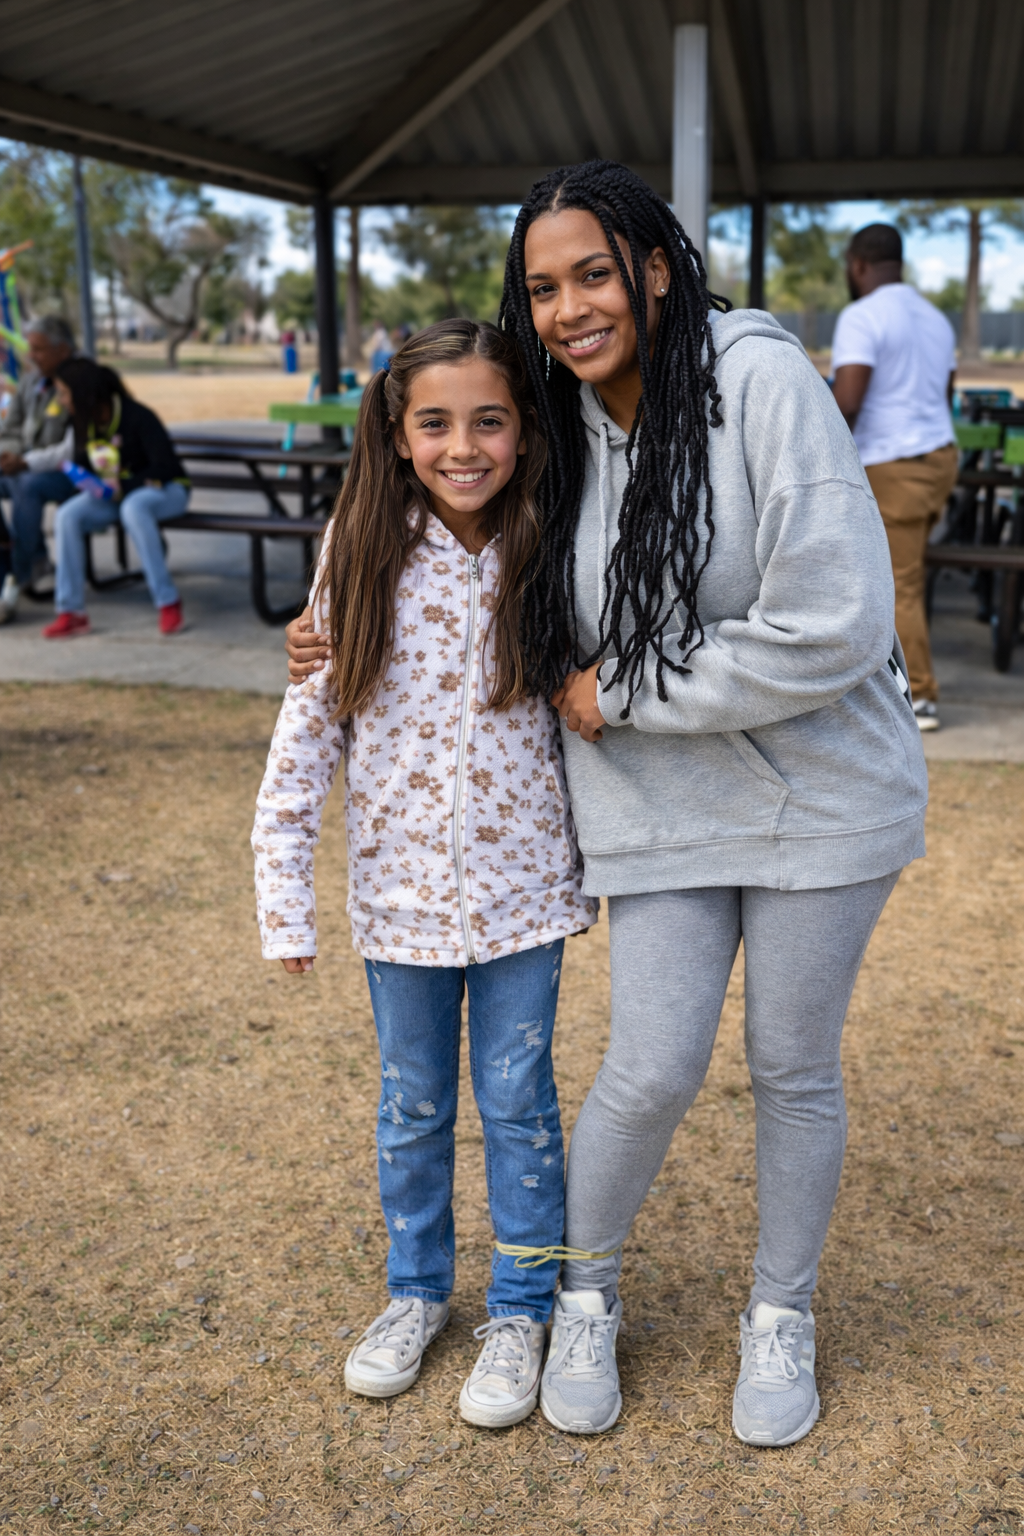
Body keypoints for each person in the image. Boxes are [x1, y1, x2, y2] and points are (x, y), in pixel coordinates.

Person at [286, 161, 928, 1448]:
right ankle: (581, 1293)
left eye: (593, 272)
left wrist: (626, 687)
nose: (570, 306)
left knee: (791, 1067)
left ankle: (779, 1314)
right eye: (541, 286)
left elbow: (840, 622)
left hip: (823, 800)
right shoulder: (551, 423)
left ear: (651, 264)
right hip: (655, 807)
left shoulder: (758, 379)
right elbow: (441, 536)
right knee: (646, 1068)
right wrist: (330, 628)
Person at [253, 319, 597, 1428]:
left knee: (518, 1106)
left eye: (488, 420)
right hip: (396, 907)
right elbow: (306, 737)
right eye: (435, 422)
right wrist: (282, 894)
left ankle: (520, 1308)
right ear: (397, 437)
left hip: (524, 898)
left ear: (523, 431)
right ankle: (415, 1296)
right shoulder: (359, 549)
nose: (464, 445)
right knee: (410, 1110)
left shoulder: (554, 542)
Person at [832, 223, 958, 732]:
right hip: (940, 458)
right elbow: (945, 394)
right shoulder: (936, 318)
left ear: (859, 265)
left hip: (893, 463)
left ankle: (921, 696)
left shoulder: (862, 317)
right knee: (909, 579)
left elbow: (849, 402)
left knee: (896, 584)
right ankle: (892, 677)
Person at [41, 359, 190, 638]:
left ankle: (168, 601)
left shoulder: (138, 416)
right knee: (68, 515)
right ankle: (71, 611)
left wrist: (123, 484)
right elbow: (84, 463)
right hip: (117, 498)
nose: (60, 401)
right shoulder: (82, 423)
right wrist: (84, 478)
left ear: (84, 393)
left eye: (64, 393)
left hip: (167, 491)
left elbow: (166, 467)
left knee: (134, 508)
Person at [0, 315, 75, 624]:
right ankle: (21, 562)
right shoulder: (31, 379)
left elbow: (73, 447)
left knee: (26, 485)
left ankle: (18, 576)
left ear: (63, 350)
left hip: (70, 473)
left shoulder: (80, 382)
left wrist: (25, 463)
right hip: (26, 466)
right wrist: (10, 456)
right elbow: (10, 428)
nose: (30, 355)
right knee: (20, 481)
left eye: (38, 349)